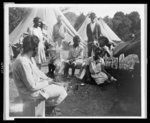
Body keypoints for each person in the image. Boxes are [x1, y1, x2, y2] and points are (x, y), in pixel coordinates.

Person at [12, 35, 68, 115]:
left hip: (33, 89)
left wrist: (50, 80)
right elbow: (32, 87)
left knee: (60, 86)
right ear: (34, 48)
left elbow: (38, 72)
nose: (39, 50)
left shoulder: (29, 58)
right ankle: (48, 110)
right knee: (62, 90)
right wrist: (48, 83)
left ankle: (47, 109)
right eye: (38, 47)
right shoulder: (23, 63)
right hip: (29, 93)